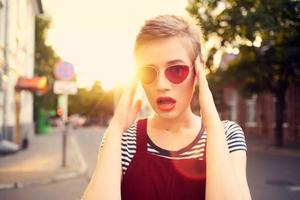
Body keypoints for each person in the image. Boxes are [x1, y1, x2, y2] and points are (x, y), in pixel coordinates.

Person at [83, 14, 252, 200]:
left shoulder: (227, 135)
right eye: (148, 72)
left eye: (176, 70)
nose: (161, 85)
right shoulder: (122, 140)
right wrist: (115, 129)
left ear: (198, 70)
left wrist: (212, 125)